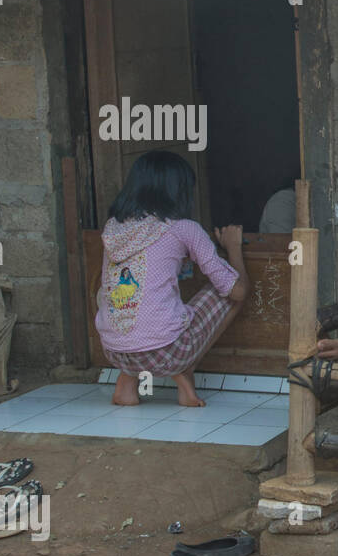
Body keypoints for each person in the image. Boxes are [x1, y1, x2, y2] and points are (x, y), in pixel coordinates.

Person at [95, 151, 250, 408]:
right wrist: (233, 247)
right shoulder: (184, 229)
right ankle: (185, 371)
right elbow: (238, 292)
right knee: (226, 291)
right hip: (166, 356)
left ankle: (127, 382)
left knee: (114, 295)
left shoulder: (113, 228)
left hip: (113, 352)